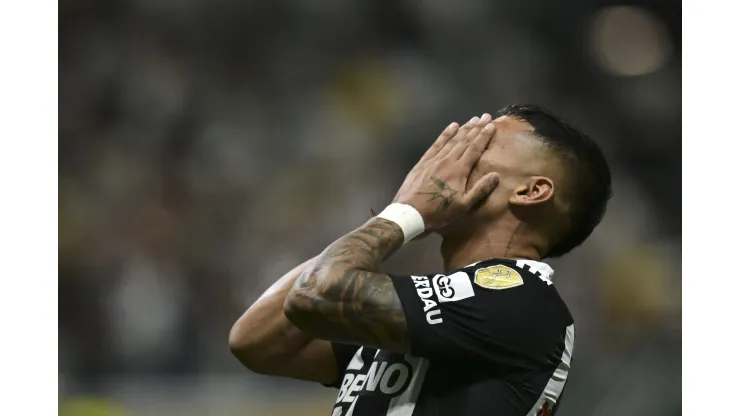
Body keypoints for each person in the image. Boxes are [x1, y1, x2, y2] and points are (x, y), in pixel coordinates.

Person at [229, 105, 612, 416]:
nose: (445, 157)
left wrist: (403, 215)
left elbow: (315, 294)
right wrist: (398, 216)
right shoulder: (439, 310)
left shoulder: (521, 302)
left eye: (481, 142)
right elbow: (257, 341)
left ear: (531, 191)